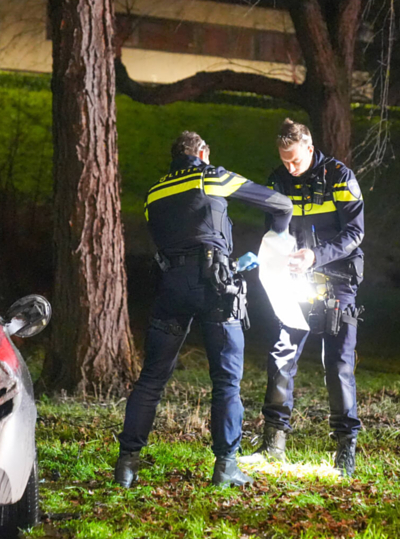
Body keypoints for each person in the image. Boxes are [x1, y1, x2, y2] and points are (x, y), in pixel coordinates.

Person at [114, 131, 293, 488]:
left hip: (170, 286)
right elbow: (280, 203)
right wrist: (279, 239)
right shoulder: (210, 175)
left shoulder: (154, 192)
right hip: (215, 288)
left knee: (151, 379)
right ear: (201, 152)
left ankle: (126, 466)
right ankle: (226, 465)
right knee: (226, 381)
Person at [241, 119, 365, 477]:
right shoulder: (277, 179)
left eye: (295, 160)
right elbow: (275, 229)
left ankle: (346, 449)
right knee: (282, 353)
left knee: (338, 362)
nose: (290, 168)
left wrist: (316, 255)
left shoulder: (340, 177)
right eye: (284, 160)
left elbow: (355, 231)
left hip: (338, 278)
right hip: (295, 277)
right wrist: (271, 256)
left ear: (310, 148)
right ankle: (273, 443)